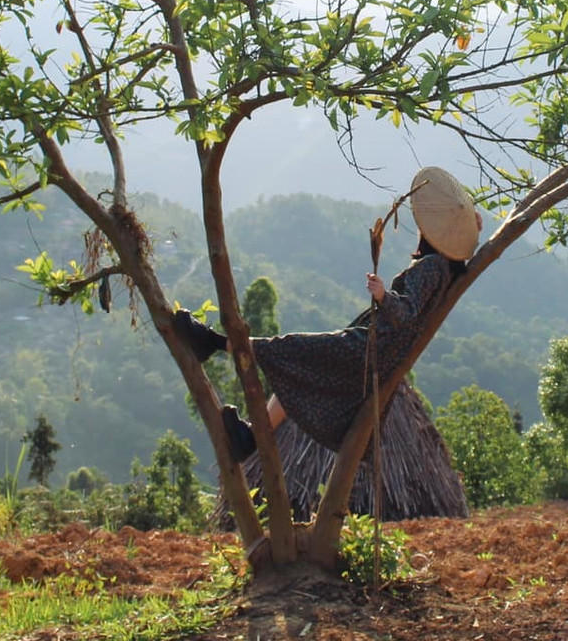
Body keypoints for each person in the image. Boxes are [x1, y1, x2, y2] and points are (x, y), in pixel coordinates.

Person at [171, 166, 482, 458]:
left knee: (294, 348)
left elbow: (406, 312)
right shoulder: (449, 268)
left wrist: (383, 295)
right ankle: (252, 436)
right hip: (379, 347)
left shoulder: (430, 267)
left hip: (374, 346)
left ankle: (212, 343)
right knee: (302, 369)